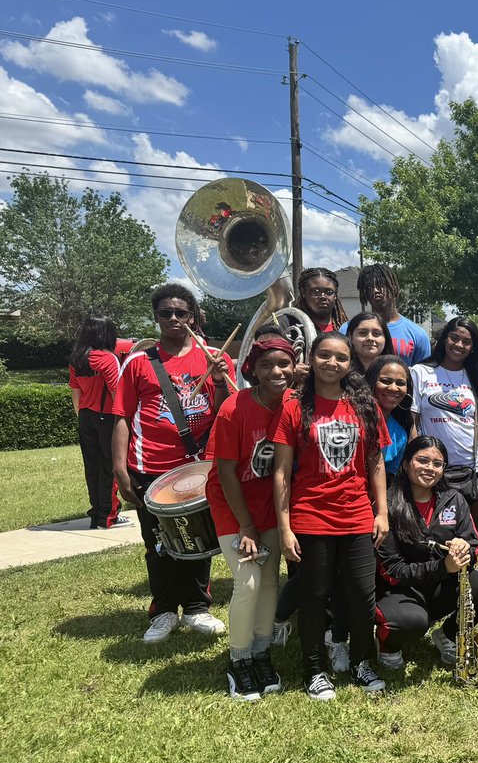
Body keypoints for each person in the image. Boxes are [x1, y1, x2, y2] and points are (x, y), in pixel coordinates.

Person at [112, 283, 233, 644]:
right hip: (151, 467)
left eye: (182, 313)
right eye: (166, 313)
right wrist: (120, 469)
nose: (175, 319)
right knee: (159, 542)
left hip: (197, 467)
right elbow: (121, 415)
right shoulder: (139, 361)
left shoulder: (214, 357)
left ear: (193, 317)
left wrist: (218, 379)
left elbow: (227, 409)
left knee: (199, 539)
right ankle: (163, 610)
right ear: (157, 318)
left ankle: (197, 607)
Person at [271, 332, 389, 700]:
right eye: (324, 355)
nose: (331, 363)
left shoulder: (365, 405)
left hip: (356, 515)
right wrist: (285, 526)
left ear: (350, 363)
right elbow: (281, 471)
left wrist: (382, 511)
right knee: (314, 596)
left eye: (340, 357)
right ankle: (314, 670)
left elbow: (376, 461)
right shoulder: (293, 406)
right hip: (310, 517)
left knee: (361, 595)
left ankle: (361, 662)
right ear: (312, 357)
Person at [207, 333, 296, 700]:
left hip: (272, 506)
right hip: (233, 505)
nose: (276, 371)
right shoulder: (234, 407)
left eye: (284, 363)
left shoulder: (294, 403)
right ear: (252, 370)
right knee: (248, 582)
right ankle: (239, 661)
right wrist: (245, 526)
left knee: (271, 581)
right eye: (266, 365)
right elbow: (226, 472)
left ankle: (261, 654)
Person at [373, 437, 478, 672]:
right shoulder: (388, 504)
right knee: (412, 621)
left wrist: (464, 551)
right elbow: (392, 571)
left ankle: (447, 635)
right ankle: (387, 644)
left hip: (440, 586)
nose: (429, 468)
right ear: (406, 463)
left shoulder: (454, 500)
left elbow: (473, 545)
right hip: (400, 590)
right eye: (422, 460)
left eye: (437, 464)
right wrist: (444, 567)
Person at [411, 317, 478, 530]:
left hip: (475, 468)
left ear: (473, 348)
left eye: (466, 341)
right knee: (437, 529)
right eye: (454, 338)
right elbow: (412, 423)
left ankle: (468, 566)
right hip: (435, 467)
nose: (459, 345)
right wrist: (418, 460)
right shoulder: (420, 372)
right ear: (444, 339)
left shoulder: (476, 377)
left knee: (471, 531)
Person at [68, 315, 126, 530]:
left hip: (85, 416)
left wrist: (82, 416)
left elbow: (76, 392)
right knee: (110, 465)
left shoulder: (77, 358)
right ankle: (107, 516)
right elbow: (116, 391)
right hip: (108, 417)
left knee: (91, 466)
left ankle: (96, 512)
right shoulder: (107, 358)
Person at [347, 263, 430, 366]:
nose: (376, 291)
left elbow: (422, 378)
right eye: (369, 288)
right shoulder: (349, 328)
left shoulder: (418, 334)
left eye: (381, 285)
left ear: (393, 286)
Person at [365, 355, 413, 481]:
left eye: (400, 383)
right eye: (386, 381)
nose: (393, 388)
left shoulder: (400, 435)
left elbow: (389, 478)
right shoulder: (352, 419)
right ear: (371, 382)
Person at [296, 266, 349, 334]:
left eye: (329, 292)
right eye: (316, 291)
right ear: (303, 293)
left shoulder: (348, 329)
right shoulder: (288, 324)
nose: (323, 296)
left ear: (335, 295)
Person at [346, 310, 394, 375]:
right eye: (362, 333)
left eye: (376, 333)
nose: (370, 338)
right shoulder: (342, 373)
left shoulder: (396, 372)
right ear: (350, 337)